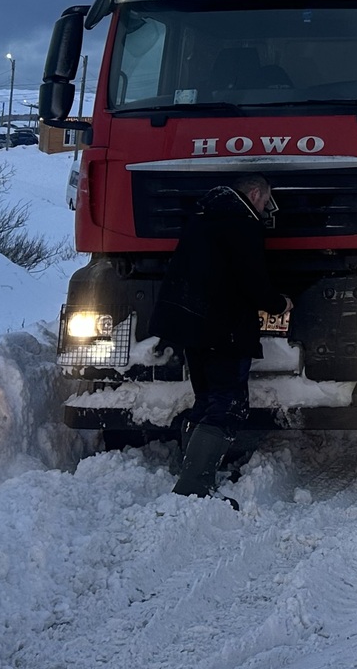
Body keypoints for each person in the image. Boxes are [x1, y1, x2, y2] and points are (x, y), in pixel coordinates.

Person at [151, 175, 277, 498]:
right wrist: (279, 303)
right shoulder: (243, 224)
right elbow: (254, 283)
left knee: (205, 400)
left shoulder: (203, 216)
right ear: (254, 193)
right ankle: (193, 487)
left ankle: (193, 473)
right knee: (227, 402)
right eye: (265, 201)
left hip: (190, 326)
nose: (266, 210)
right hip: (224, 328)